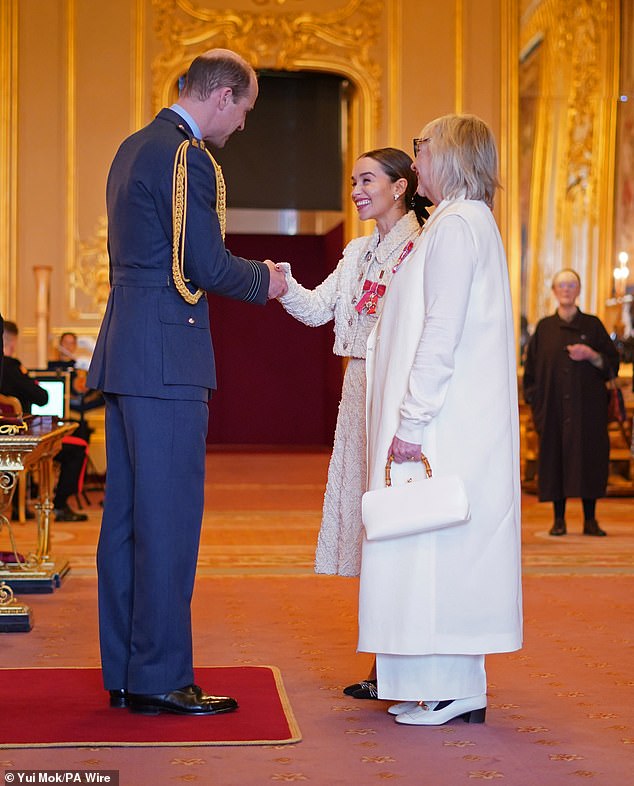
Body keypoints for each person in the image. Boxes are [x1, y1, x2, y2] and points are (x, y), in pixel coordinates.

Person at [87, 48, 286, 717]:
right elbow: (205, 262)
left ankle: (125, 671)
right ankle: (161, 678)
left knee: (126, 522)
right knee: (167, 521)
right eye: (245, 111)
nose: (242, 126)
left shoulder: (130, 148)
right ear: (223, 96)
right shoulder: (187, 157)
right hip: (168, 358)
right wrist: (269, 279)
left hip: (125, 350)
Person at [357, 114, 523, 726]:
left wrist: (412, 420)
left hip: (442, 425)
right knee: (429, 551)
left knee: (437, 551)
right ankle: (434, 682)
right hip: (444, 422)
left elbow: (441, 331)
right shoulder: (457, 222)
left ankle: (454, 688)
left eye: (422, 148)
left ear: (449, 156)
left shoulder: (455, 227)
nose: (415, 158)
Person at [277, 148, 428, 699]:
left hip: (401, 393)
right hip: (359, 391)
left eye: (368, 180)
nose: (358, 190)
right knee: (374, 526)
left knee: (401, 521)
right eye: (353, 181)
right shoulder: (360, 250)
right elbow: (319, 309)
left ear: (401, 186)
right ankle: (386, 662)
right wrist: (280, 285)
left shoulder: (425, 246)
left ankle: (408, 661)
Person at [523, 269, 619, 536]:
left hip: (588, 411)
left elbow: (612, 365)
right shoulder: (544, 328)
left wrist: (591, 354)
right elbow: (530, 371)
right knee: (555, 462)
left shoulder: (593, 325)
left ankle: (590, 520)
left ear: (578, 290)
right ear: (554, 291)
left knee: (590, 460)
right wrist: (536, 404)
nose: (566, 289)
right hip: (552, 410)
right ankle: (559, 520)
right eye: (561, 284)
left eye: (572, 284)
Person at [0, 321, 88, 522]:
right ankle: (60, 505)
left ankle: (18, 507)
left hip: (2, 440)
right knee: (76, 449)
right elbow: (42, 398)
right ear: (13, 343)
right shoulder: (13, 368)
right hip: (21, 443)